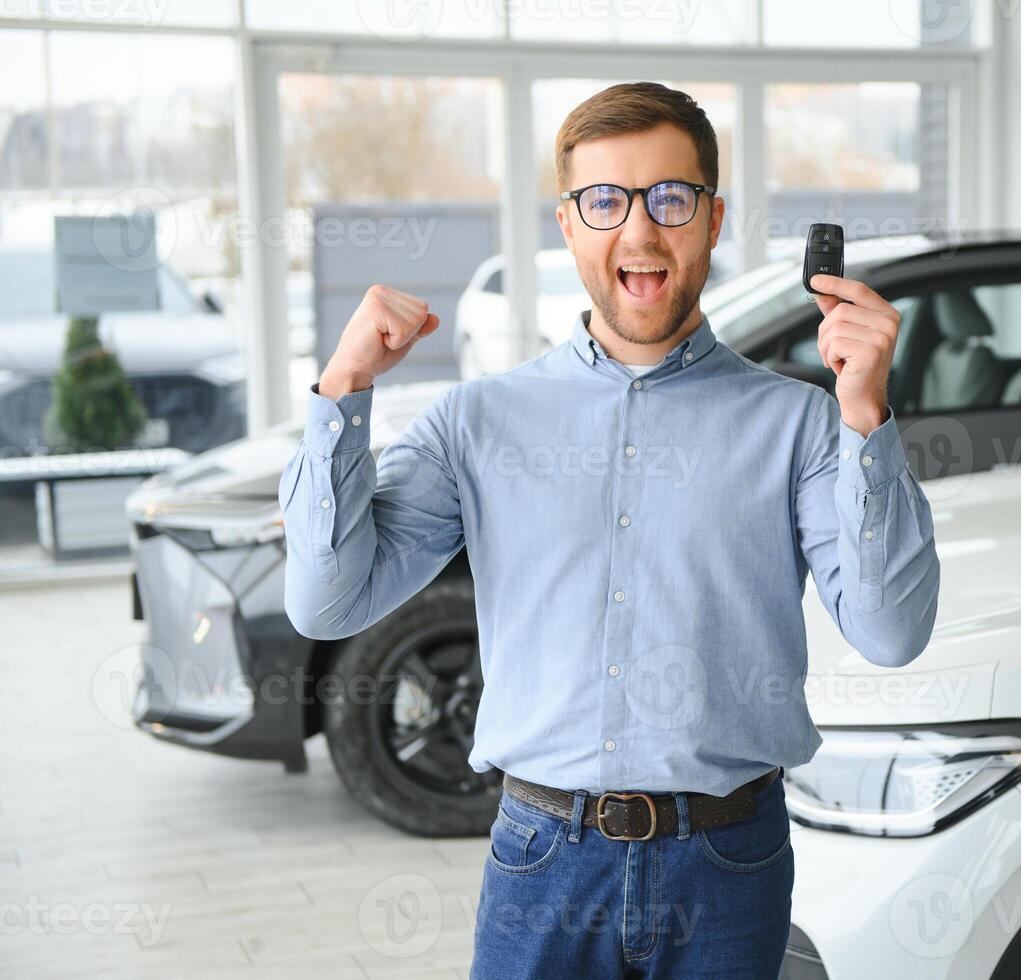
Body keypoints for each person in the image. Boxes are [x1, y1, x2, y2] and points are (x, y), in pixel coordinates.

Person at [278, 80, 941, 979]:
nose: (639, 231)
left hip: (729, 863)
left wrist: (864, 416)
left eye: (671, 198)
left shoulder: (802, 424)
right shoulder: (475, 422)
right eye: (605, 200)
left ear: (712, 220)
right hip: (541, 863)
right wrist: (343, 390)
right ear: (569, 223)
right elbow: (327, 603)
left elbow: (891, 632)